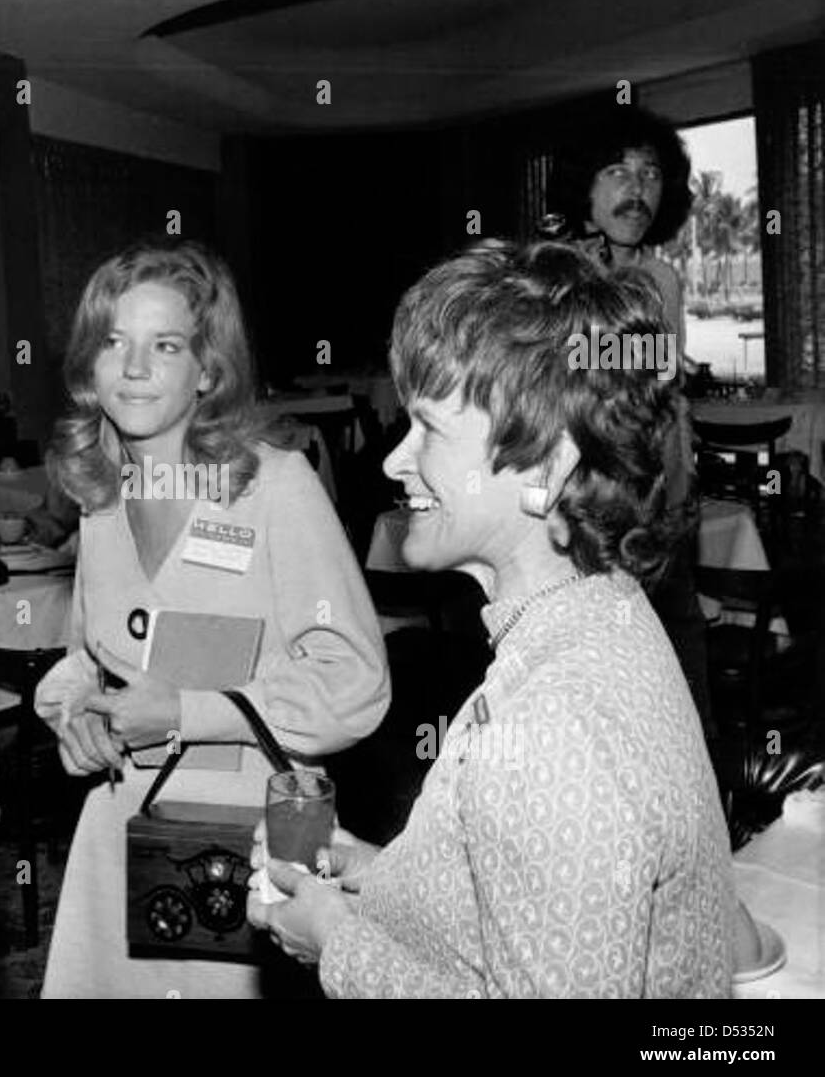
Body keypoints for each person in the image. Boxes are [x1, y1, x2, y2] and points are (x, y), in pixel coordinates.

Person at [247, 240, 737, 997]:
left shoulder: (554, 725)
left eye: (430, 429)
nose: (393, 460)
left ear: (546, 466)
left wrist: (337, 942)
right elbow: (522, 900)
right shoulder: (601, 611)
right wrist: (373, 873)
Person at [33, 240, 389, 998]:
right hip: (118, 825)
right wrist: (73, 713)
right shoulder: (99, 496)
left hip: (250, 843)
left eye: (164, 345)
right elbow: (84, 660)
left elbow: (355, 682)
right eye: (113, 342)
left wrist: (188, 711)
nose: (132, 367)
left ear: (209, 369)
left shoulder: (276, 487)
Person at [546, 105, 711, 734]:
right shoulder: (554, 276)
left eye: (649, 173)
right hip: (578, 516)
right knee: (589, 689)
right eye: (617, 170)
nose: (637, 187)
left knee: (681, 670)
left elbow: (660, 390)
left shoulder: (662, 279)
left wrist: (678, 490)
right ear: (584, 186)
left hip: (658, 513)